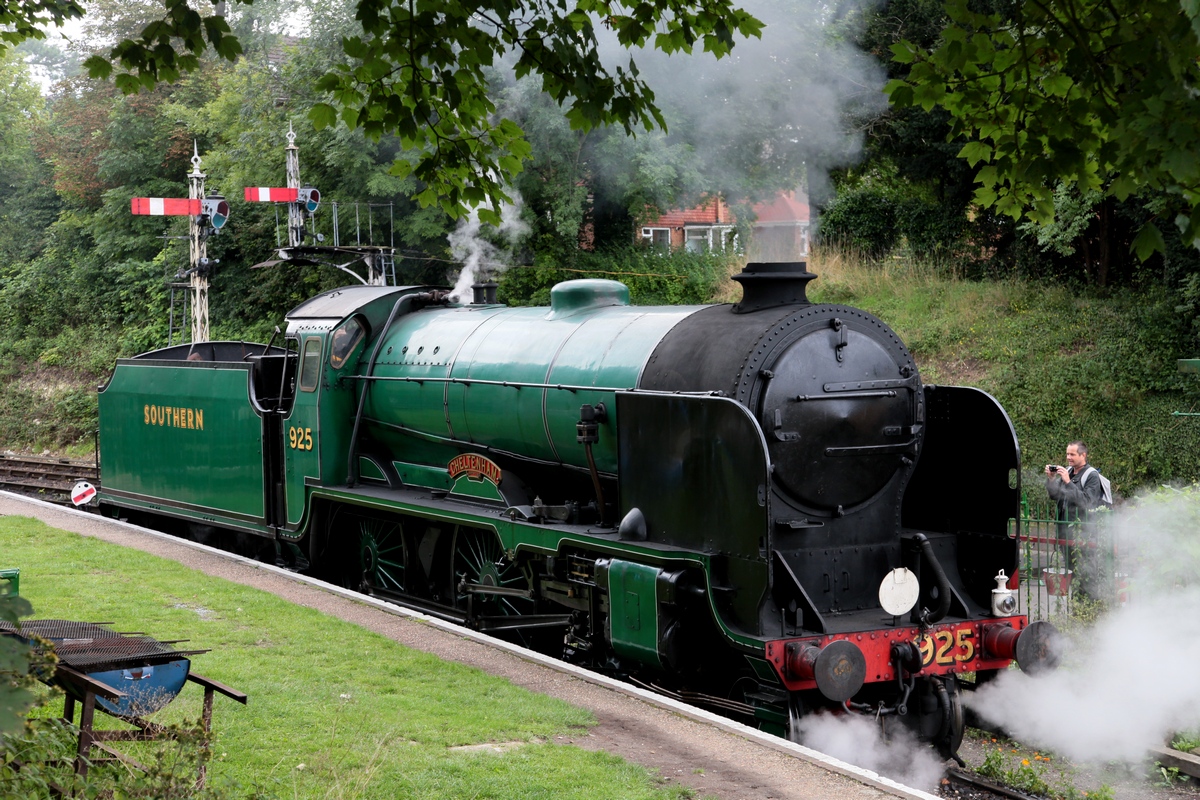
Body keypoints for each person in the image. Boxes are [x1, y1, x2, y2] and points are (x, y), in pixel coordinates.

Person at [1045, 441, 1106, 601]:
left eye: (1072, 454)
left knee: (1085, 576)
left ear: (1083, 455)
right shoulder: (1070, 472)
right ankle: (1077, 610)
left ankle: (1088, 610)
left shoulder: (1092, 475)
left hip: (1084, 535)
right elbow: (1055, 495)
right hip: (1066, 534)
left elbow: (1087, 502)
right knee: (1072, 574)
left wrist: (1068, 482)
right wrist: (1051, 480)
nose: (1068, 458)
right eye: (1067, 454)